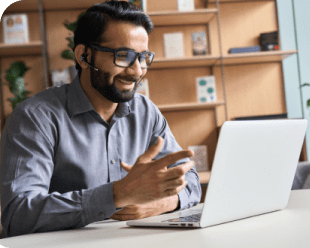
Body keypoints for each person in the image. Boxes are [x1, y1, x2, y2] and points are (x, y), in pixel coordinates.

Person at [0, 0, 201, 238]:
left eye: (143, 57)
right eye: (123, 55)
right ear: (83, 56)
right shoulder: (34, 118)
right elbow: (18, 214)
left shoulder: (146, 112)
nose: (137, 71)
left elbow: (191, 181)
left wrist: (160, 203)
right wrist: (117, 195)